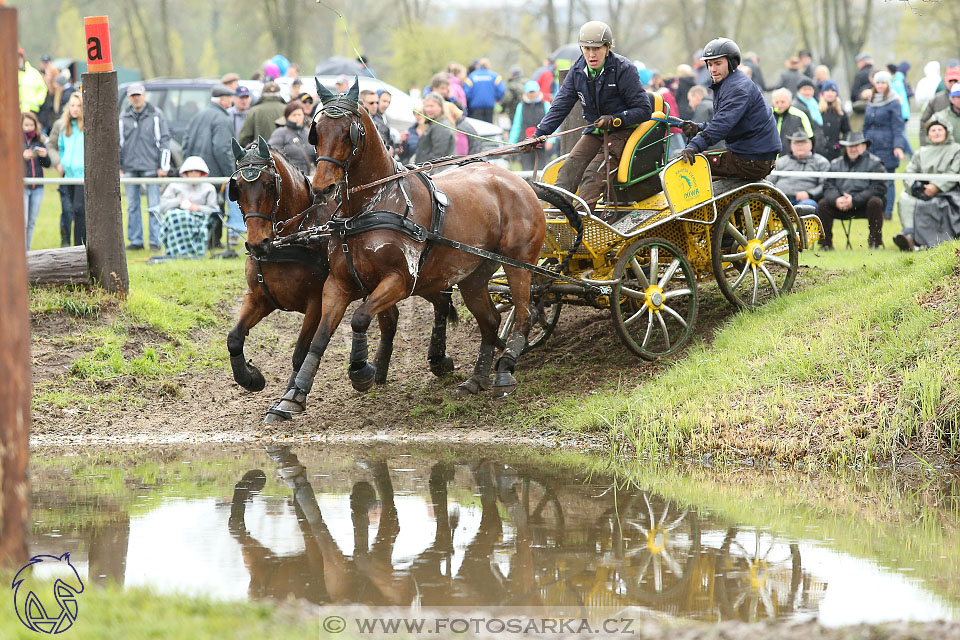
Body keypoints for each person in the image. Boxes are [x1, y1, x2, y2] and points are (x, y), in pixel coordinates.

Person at [531, 21, 651, 211]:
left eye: (596, 48)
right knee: (567, 170)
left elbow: (644, 110)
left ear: (607, 47)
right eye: (586, 48)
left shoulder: (624, 69)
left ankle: (582, 225)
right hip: (595, 131)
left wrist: (615, 119)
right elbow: (559, 107)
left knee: (592, 176)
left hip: (624, 133)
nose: (591, 54)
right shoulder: (577, 70)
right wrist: (537, 135)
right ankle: (557, 219)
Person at [679, 38, 782, 180]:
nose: (713, 69)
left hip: (750, 160)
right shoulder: (729, 83)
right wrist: (698, 128)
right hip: (750, 155)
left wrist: (693, 146)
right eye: (709, 64)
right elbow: (729, 124)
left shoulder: (737, 88)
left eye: (718, 63)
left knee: (682, 167)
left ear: (731, 63)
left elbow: (722, 125)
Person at [893, 115, 960, 251]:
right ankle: (909, 236)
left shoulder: (956, 150)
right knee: (906, 198)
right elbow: (909, 172)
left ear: (946, 131)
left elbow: (954, 172)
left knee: (935, 204)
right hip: (923, 191)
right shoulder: (921, 152)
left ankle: (935, 240)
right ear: (928, 134)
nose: (936, 132)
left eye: (939, 129)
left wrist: (936, 187)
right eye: (933, 130)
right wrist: (915, 187)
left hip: (949, 191)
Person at [119, 82, 171, 251]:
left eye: (138, 95)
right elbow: (118, 143)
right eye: (133, 95)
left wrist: (163, 166)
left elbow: (164, 140)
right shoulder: (123, 117)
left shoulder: (156, 114)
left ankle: (156, 240)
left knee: (154, 205)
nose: (136, 98)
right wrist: (119, 165)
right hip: (129, 167)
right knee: (132, 206)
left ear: (144, 95)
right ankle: (135, 240)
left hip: (151, 166)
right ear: (128, 98)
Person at [818, 131, 886, 249]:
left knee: (875, 202)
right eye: (850, 146)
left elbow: (879, 187)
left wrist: (854, 200)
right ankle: (825, 244)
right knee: (823, 204)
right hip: (840, 204)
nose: (853, 149)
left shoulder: (875, 163)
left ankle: (875, 243)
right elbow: (828, 186)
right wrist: (836, 200)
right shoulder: (835, 164)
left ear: (864, 146)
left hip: (864, 205)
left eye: (856, 145)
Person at [862, 70, 909, 219]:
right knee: (870, 179)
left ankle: (887, 211)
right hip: (871, 145)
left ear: (888, 84)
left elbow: (898, 126)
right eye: (878, 82)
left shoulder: (894, 102)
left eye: (883, 82)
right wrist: (863, 142)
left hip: (887, 145)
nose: (880, 85)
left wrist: (898, 146)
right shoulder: (871, 101)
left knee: (888, 180)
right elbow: (866, 125)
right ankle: (873, 210)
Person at [157, 156, 220, 258]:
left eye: (197, 171)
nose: (194, 174)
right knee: (174, 216)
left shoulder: (209, 188)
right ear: (186, 173)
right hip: (176, 219)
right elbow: (163, 206)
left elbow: (213, 210)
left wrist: (197, 208)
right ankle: (175, 251)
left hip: (199, 220)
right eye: (191, 171)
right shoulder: (174, 186)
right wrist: (179, 202)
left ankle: (193, 252)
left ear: (202, 173)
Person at [770, 131, 829, 208]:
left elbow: (825, 185)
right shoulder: (780, 162)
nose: (800, 145)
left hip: (806, 201)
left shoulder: (821, 162)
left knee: (806, 207)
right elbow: (770, 182)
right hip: (780, 199)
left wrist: (809, 194)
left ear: (811, 145)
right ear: (791, 145)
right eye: (796, 142)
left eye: (804, 142)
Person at [56, 92, 86, 246]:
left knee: (80, 210)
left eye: (79, 106)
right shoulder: (65, 128)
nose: (75, 109)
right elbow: (61, 147)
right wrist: (63, 162)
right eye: (72, 105)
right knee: (70, 211)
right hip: (68, 175)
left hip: (82, 176)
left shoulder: (86, 128)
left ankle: (80, 246)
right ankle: (70, 245)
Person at [509, 80, 553, 171]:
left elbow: (552, 123)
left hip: (541, 144)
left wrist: (551, 140)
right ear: (526, 93)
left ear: (538, 92)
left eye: (534, 92)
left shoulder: (546, 105)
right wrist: (512, 144)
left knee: (541, 170)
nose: (532, 94)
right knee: (526, 170)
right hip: (525, 145)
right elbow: (516, 126)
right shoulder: (521, 106)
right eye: (530, 92)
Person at [22, 111, 50, 250]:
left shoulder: (39, 142)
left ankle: (28, 250)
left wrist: (44, 156)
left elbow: (47, 164)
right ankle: (21, 251)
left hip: (38, 187)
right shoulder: (17, 143)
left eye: (31, 125)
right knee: (24, 222)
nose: (29, 128)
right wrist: (22, 157)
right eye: (26, 125)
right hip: (23, 187)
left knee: (32, 221)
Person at [268, 101, 316, 176]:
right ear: (287, 117)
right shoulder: (280, 133)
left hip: (310, 176)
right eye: (294, 115)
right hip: (290, 177)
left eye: (299, 114)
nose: (297, 117)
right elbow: (273, 156)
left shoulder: (308, 132)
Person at [920, 67, 960, 145]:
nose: (953, 83)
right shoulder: (937, 99)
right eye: (950, 81)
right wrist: (924, 145)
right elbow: (924, 122)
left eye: (955, 81)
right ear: (945, 81)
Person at [238, 81, 285, 146]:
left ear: (263, 94)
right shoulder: (287, 110)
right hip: (282, 154)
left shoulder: (254, 111)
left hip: (260, 154)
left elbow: (244, 138)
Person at [770, 88, 814, 156]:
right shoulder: (767, 115)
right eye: (777, 102)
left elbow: (809, 137)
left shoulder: (799, 116)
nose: (780, 105)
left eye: (783, 102)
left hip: (790, 159)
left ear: (790, 102)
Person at [414, 93, 456, 164]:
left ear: (441, 107)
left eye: (432, 106)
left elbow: (438, 155)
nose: (428, 109)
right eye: (426, 106)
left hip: (437, 171)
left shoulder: (441, 126)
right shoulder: (433, 124)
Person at [816, 80, 850, 161]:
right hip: (818, 152)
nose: (830, 94)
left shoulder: (841, 112)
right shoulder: (816, 111)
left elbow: (847, 132)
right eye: (827, 91)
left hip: (834, 153)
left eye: (833, 91)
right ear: (823, 93)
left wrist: (838, 145)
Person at [463, 59, 506, 123]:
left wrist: (471, 100)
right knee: (488, 128)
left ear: (478, 65)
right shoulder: (495, 76)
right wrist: (496, 99)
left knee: (477, 128)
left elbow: (466, 92)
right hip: (489, 106)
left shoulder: (471, 76)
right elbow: (502, 90)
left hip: (475, 107)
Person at [17, 49, 47, 116]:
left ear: (23, 58)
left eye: (19, 57)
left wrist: (38, 101)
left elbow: (43, 88)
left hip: (32, 111)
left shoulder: (33, 73)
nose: (18, 60)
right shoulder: (10, 74)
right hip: (15, 111)